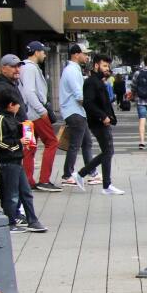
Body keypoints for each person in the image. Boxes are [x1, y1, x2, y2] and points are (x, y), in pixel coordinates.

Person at [0, 88, 46, 233]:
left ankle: (32, 220)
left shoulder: (11, 118)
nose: (19, 106)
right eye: (17, 104)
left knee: (25, 191)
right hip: (8, 162)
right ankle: (9, 222)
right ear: (10, 105)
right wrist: (19, 142)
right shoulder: (1, 119)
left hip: (16, 160)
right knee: (12, 194)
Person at [74, 53, 124, 195]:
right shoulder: (91, 82)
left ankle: (86, 176)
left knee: (107, 152)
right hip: (99, 122)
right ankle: (99, 182)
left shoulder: (99, 81)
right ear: (96, 65)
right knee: (108, 151)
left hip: (102, 121)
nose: (107, 68)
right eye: (104, 65)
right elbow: (88, 103)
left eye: (108, 66)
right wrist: (103, 117)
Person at [18, 41, 60, 192]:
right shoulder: (30, 68)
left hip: (26, 114)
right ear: (36, 52)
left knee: (29, 146)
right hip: (35, 113)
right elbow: (30, 92)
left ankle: (28, 180)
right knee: (52, 142)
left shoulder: (23, 67)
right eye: (43, 51)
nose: (45, 54)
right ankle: (44, 179)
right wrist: (42, 110)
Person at [59, 44, 99, 187]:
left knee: (86, 143)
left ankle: (92, 172)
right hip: (74, 112)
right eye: (85, 53)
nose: (87, 56)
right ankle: (67, 174)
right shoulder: (71, 71)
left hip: (77, 112)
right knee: (75, 145)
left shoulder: (74, 69)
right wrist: (93, 108)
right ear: (76, 54)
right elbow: (79, 95)